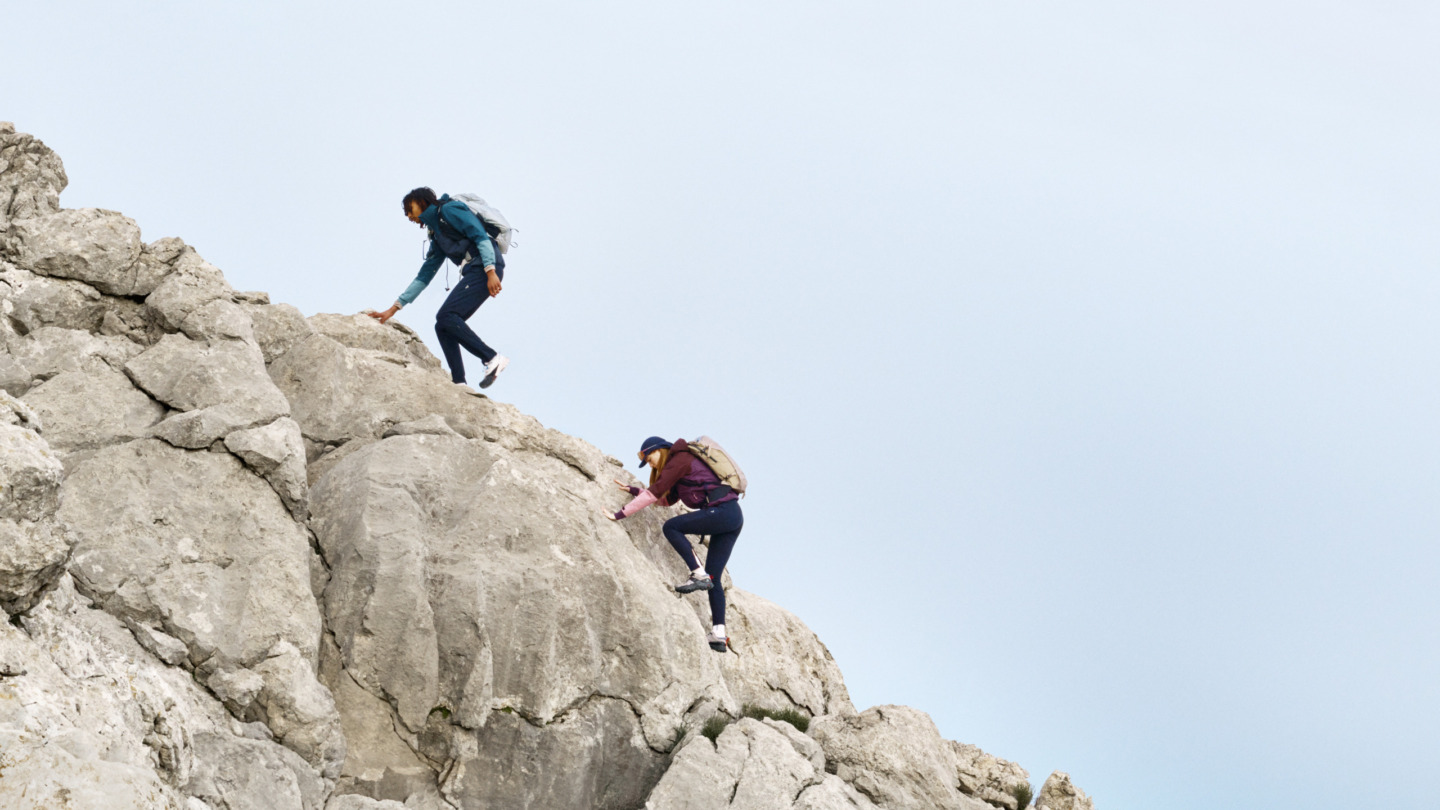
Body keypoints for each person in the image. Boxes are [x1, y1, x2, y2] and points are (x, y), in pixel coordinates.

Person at [607, 436, 742, 652]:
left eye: (649, 459)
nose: (649, 464)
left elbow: (654, 492)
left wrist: (619, 514)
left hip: (724, 513)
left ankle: (697, 573)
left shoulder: (680, 459)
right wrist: (633, 491)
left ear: (659, 450)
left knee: (671, 527)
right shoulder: (679, 470)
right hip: (730, 517)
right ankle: (718, 633)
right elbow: (664, 499)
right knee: (713, 578)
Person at [370, 187, 509, 391]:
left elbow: (479, 235)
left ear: (421, 202)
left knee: (447, 315)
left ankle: (492, 358)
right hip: (477, 270)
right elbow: (424, 276)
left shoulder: (449, 211)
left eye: (409, 209)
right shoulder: (436, 234)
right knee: (442, 325)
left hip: (485, 267)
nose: (408, 216)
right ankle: (459, 382)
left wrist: (490, 271)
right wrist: (394, 308)